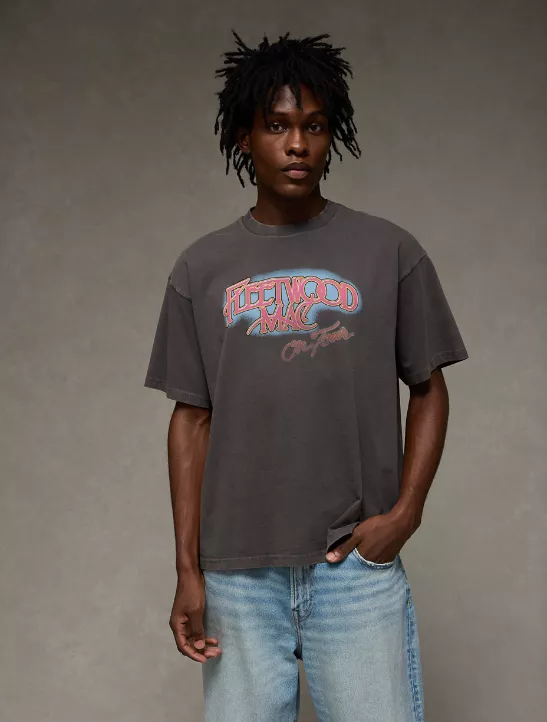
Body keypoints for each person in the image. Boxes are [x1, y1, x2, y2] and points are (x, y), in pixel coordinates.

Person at [143, 29, 468, 722]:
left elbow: (429, 387)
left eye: (314, 126)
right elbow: (190, 420)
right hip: (236, 578)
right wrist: (187, 570)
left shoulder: (389, 251)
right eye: (277, 126)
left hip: (353, 568)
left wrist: (405, 515)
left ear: (332, 136)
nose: (297, 144)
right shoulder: (200, 269)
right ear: (243, 138)